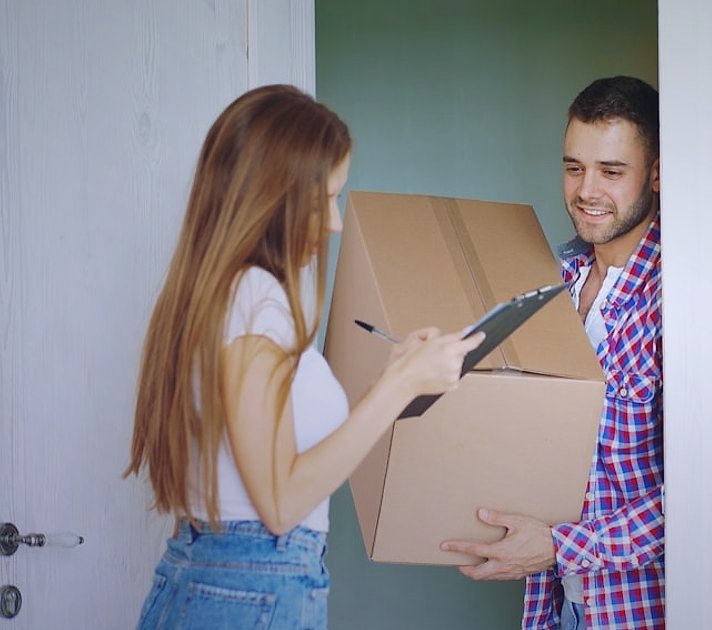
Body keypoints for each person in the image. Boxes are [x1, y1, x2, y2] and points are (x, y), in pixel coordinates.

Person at [124, 84, 483, 629]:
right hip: (250, 587)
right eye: (327, 200)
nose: (335, 222)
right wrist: (399, 389)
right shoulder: (256, 299)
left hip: (223, 581)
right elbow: (280, 502)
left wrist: (389, 380)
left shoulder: (224, 294)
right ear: (276, 197)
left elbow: (282, 462)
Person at [441, 76, 664, 629]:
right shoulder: (551, 279)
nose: (587, 190)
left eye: (611, 172)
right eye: (573, 167)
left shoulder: (683, 301)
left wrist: (563, 546)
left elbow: (701, 498)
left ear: (657, 174)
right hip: (558, 605)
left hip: (636, 610)